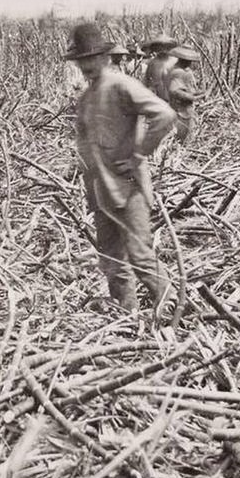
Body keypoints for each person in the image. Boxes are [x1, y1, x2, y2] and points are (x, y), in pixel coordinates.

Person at [65, 22, 177, 316]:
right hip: (101, 193)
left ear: (105, 57)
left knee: (140, 257)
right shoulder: (86, 98)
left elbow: (164, 115)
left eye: (92, 58)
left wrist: (139, 153)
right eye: (82, 60)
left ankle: (176, 310)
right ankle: (128, 319)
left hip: (128, 189)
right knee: (112, 261)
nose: (87, 65)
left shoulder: (121, 85)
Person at [166, 45, 203, 144]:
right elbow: (174, 90)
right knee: (182, 134)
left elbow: (187, 88)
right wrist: (192, 97)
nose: (190, 63)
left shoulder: (184, 71)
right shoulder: (177, 72)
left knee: (186, 132)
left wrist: (198, 92)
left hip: (184, 108)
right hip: (180, 108)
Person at [143, 34, 179, 101]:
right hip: (157, 95)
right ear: (156, 48)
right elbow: (147, 80)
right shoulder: (153, 63)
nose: (163, 49)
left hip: (172, 95)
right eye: (160, 47)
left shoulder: (175, 61)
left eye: (166, 47)